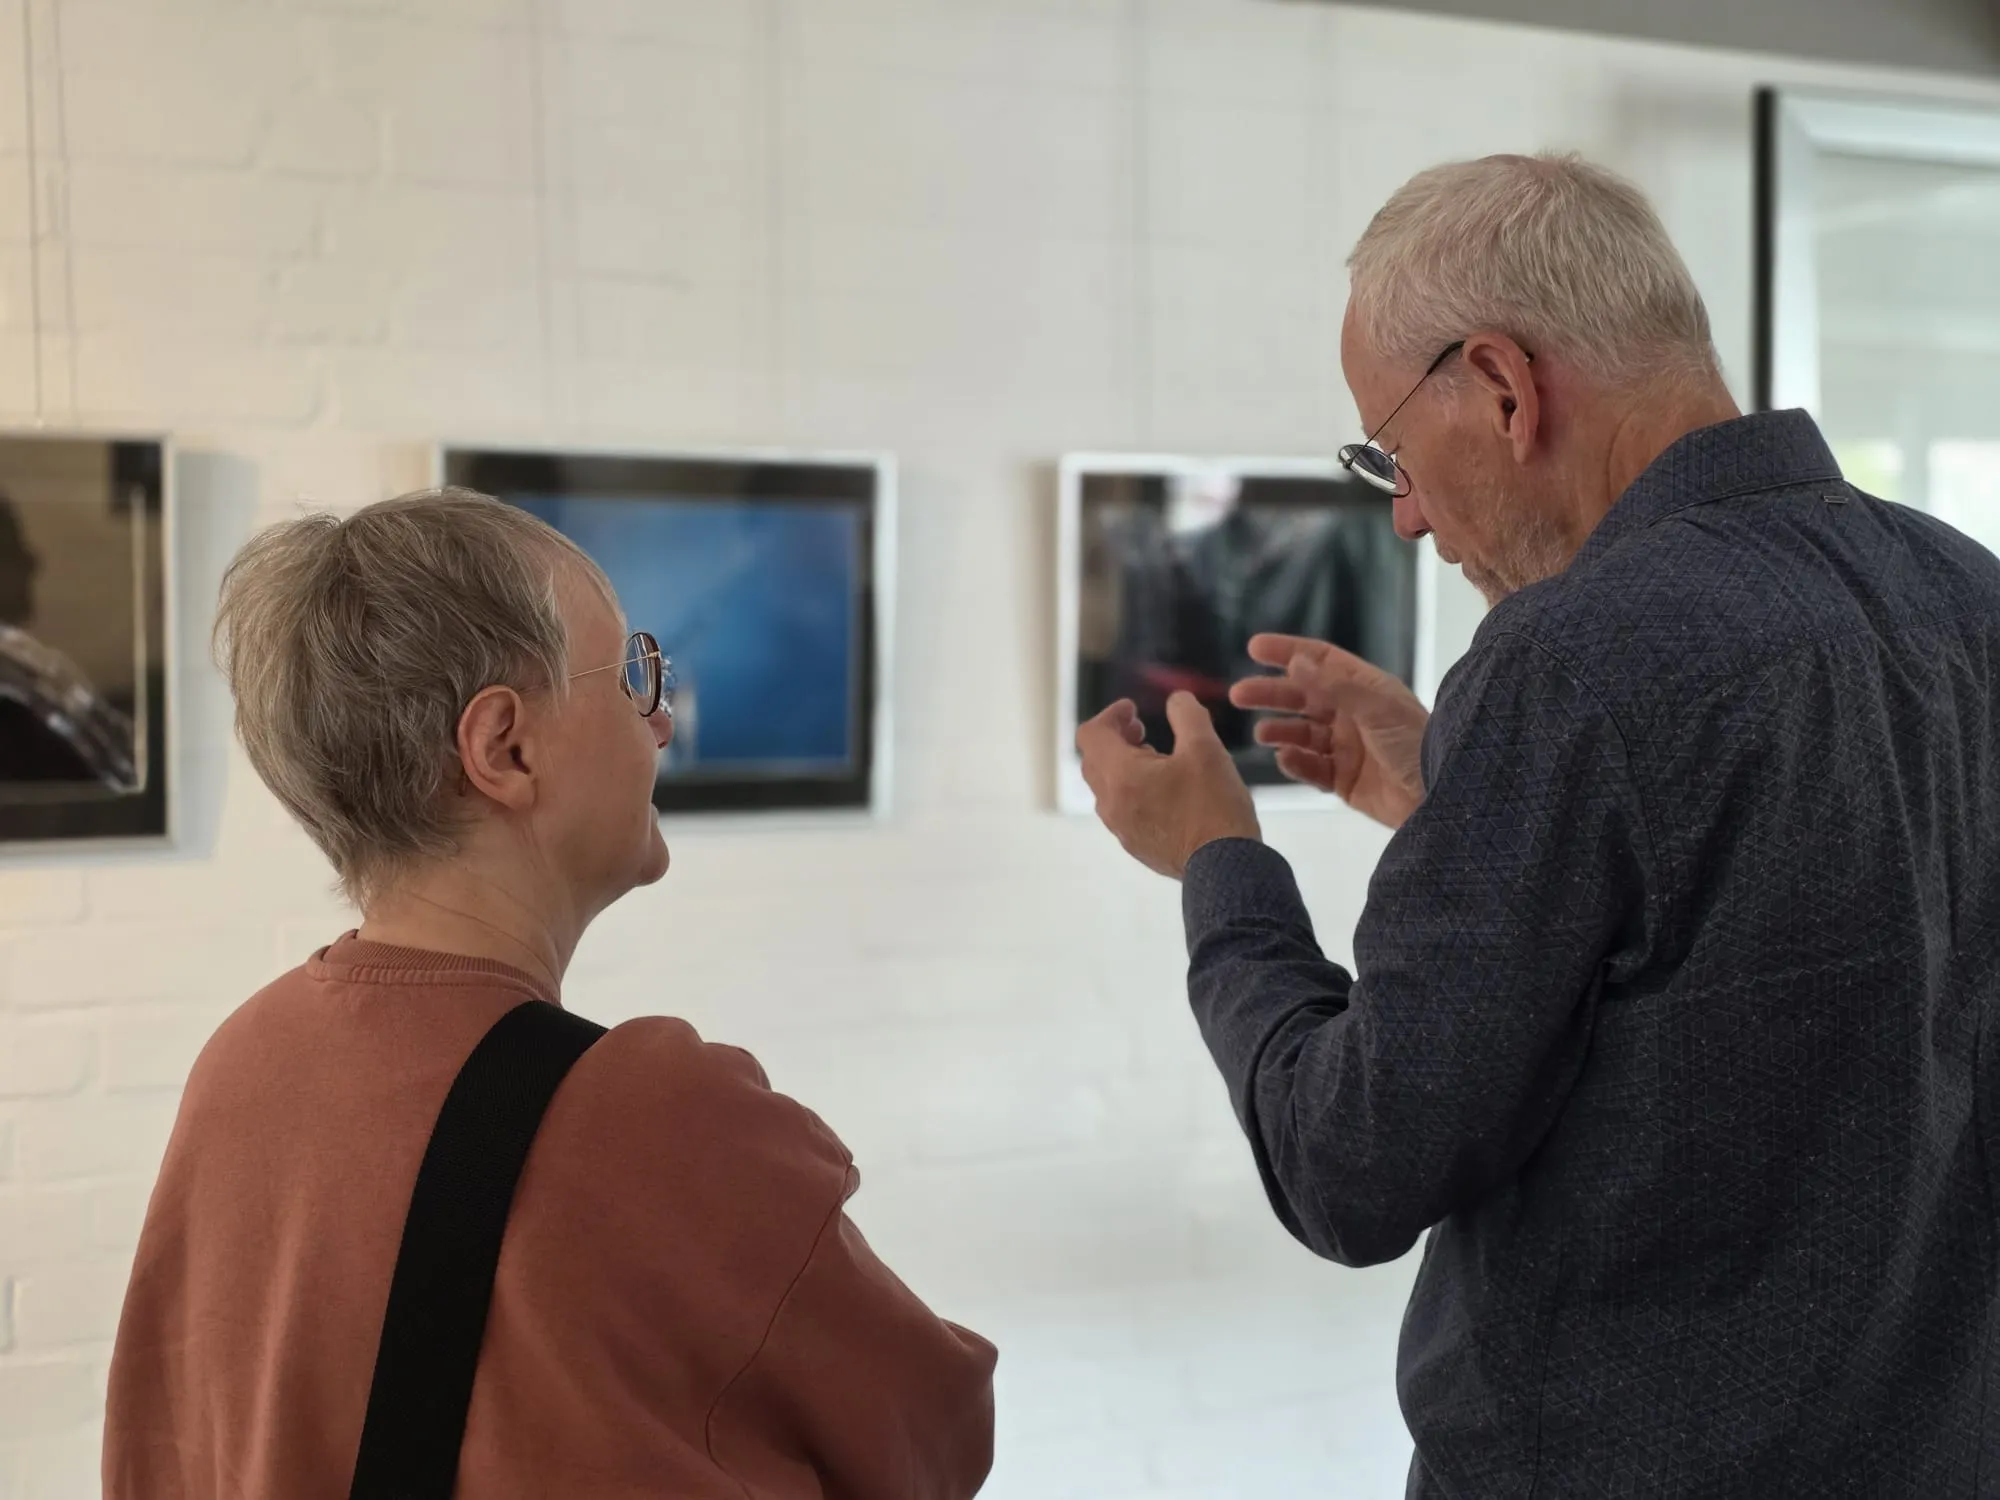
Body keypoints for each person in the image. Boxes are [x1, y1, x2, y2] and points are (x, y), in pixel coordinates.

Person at [1077, 152, 2000, 1496]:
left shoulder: (1567, 662)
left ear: (1505, 387)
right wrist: (1446, 798)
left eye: (1388, 451)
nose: (1401, 514)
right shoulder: (1966, 594)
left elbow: (1349, 1165)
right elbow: (1724, 956)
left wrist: (1219, 862)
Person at [104, 489, 995, 1497]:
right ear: (504, 749)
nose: (658, 721)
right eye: (626, 677)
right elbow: (931, 1434)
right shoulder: (655, 1115)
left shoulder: (245, 1059)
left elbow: (158, 1448)